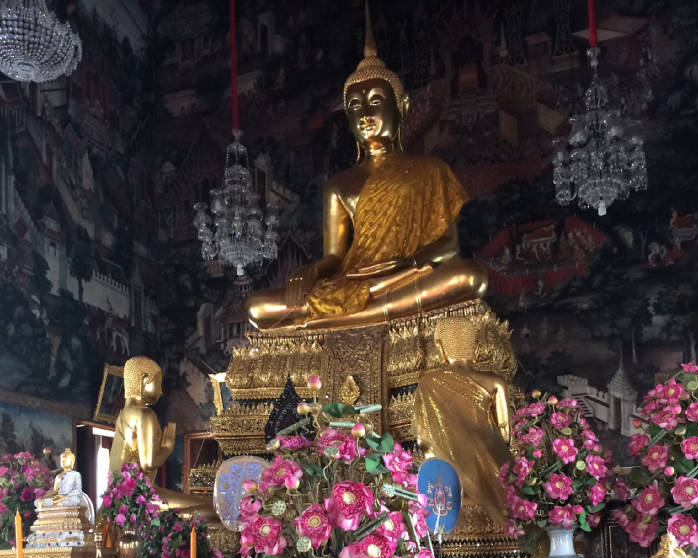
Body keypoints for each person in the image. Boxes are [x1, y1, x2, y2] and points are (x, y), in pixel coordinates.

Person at [246, 6, 487, 331]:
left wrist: (408, 265)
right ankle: (357, 314)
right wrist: (313, 271)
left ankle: (330, 322)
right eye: (355, 107)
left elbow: (449, 245)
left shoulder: (430, 169)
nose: (365, 114)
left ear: (401, 108)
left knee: (469, 276)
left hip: (406, 277)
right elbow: (335, 258)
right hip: (353, 281)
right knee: (257, 307)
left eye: (375, 102)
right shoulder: (339, 184)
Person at [413, 317, 509, 524]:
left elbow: (423, 440)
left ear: (441, 347)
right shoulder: (495, 383)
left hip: (448, 487)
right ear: (473, 345)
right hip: (493, 482)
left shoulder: (428, 382)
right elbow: (504, 435)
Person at [108, 356, 213, 516]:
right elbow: (148, 463)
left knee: (203, 507)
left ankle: (170, 519)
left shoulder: (123, 415)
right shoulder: (144, 414)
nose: (161, 391)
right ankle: (171, 521)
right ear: (144, 380)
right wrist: (167, 447)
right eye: (158, 383)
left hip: (121, 497)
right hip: (142, 496)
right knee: (212, 509)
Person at [36, 448, 94, 523]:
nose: (63, 462)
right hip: (59, 498)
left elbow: (78, 490)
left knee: (63, 502)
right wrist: (44, 497)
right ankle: (50, 519)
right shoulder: (58, 476)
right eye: (62, 460)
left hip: (71, 498)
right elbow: (55, 491)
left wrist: (65, 496)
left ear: (71, 461)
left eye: (65, 460)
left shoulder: (76, 474)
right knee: (38, 502)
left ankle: (59, 515)